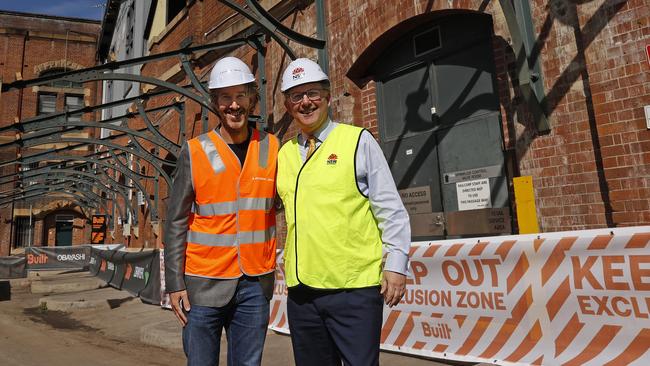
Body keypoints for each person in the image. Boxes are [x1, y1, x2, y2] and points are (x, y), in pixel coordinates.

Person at [276, 58, 411, 366]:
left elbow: (390, 208)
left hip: (353, 291)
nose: (306, 102)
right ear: (287, 105)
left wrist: (396, 264)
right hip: (302, 295)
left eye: (312, 93)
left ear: (327, 97)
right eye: (297, 96)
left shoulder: (357, 141)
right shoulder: (284, 155)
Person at [164, 56, 279, 366]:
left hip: (255, 284)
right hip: (203, 284)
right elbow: (175, 220)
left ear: (253, 99)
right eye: (226, 97)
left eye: (241, 95)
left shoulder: (273, 148)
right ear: (215, 102)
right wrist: (174, 283)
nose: (234, 105)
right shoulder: (195, 150)